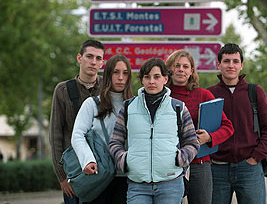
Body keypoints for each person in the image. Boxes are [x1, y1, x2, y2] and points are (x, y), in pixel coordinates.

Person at [109, 58, 200, 204]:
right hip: (137, 185)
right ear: (142, 80)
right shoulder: (128, 107)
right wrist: (124, 161)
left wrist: (179, 158)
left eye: (156, 77)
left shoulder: (178, 107)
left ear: (165, 79)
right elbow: (115, 142)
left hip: (171, 183)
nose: (152, 81)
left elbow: (192, 142)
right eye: (147, 77)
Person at [207, 43, 267, 204]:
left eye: (235, 61)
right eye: (226, 61)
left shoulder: (255, 92)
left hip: (249, 168)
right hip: (217, 169)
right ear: (218, 65)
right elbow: (202, 130)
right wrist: (209, 156)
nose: (231, 65)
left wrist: (255, 157)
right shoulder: (210, 93)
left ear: (241, 65)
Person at [165, 50, 234, 204]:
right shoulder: (162, 97)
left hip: (199, 164)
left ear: (191, 71)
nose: (181, 69)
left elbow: (227, 126)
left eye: (185, 66)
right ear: (169, 70)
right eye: (177, 66)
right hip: (168, 164)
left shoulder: (203, 95)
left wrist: (210, 137)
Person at [71, 54, 133, 203]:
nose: (120, 77)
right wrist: (87, 160)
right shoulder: (92, 104)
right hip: (99, 175)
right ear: (107, 75)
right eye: (115, 72)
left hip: (128, 178)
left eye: (125, 73)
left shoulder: (135, 104)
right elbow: (77, 135)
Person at [49, 40, 105, 204]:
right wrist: (62, 177)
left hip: (104, 170)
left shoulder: (108, 87)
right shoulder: (63, 90)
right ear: (79, 58)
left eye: (98, 58)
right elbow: (55, 135)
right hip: (74, 172)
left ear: (102, 62)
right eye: (89, 56)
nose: (93, 62)